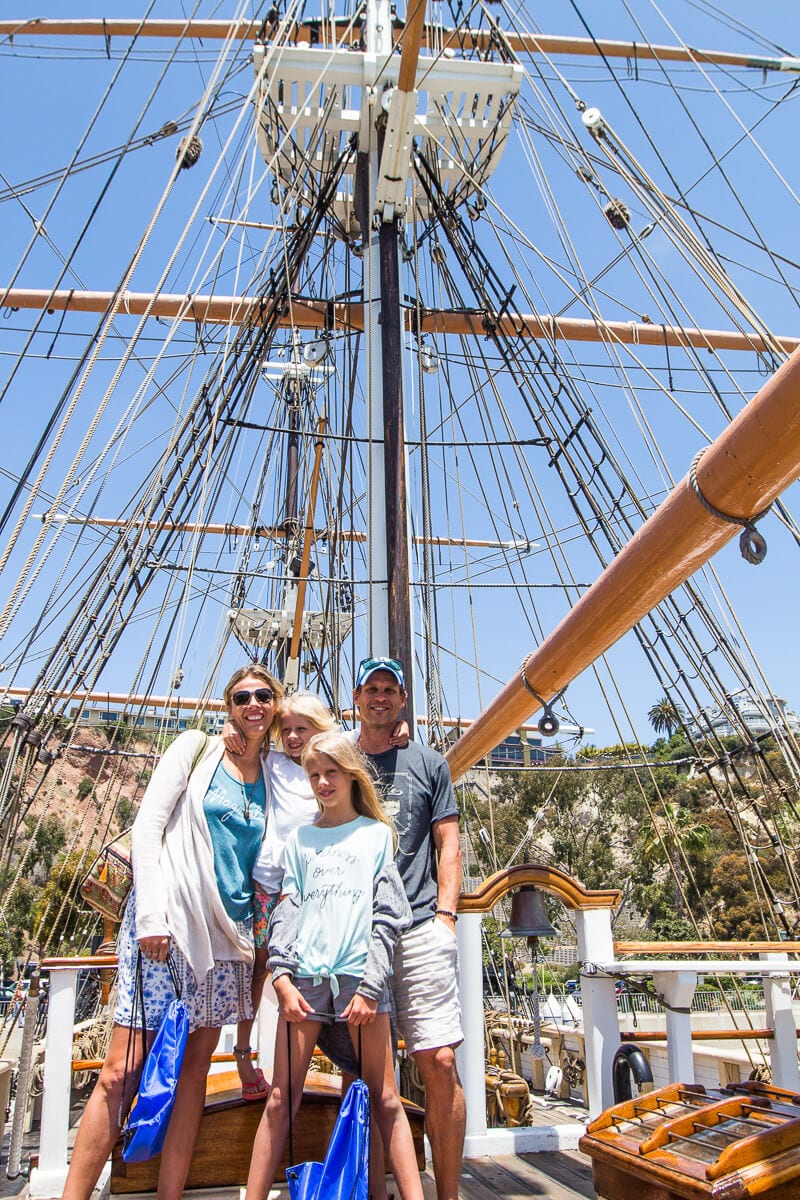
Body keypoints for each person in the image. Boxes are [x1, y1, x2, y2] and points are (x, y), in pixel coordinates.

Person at [61, 665, 282, 1200]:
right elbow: (148, 827)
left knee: (193, 1077)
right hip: (167, 928)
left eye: (264, 695)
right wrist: (152, 917)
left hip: (225, 939)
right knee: (122, 1070)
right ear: (228, 704)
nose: (253, 703)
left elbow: (329, 751)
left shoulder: (280, 770)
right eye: (241, 696)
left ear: (276, 705)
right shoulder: (197, 748)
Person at [243, 732, 422, 1200]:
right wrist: (280, 975)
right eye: (314, 775)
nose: (323, 783)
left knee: (385, 1099)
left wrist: (370, 985)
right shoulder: (302, 840)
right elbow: (289, 908)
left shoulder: (376, 835)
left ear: (351, 774)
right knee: (281, 1097)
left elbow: (387, 918)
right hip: (306, 978)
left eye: (331, 773)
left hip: (359, 977)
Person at [352, 656, 466, 1200]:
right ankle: (381, 1190)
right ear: (357, 697)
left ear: (402, 699)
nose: (380, 697)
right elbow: (289, 738)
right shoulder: (341, 759)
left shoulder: (428, 763)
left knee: (439, 1061)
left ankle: (448, 1193)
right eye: (371, 688)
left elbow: (448, 841)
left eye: (389, 689)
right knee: (371, 1073)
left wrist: (447, 915)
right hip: (358, 933)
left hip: (421, 926)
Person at [233, 692, 337, 1096]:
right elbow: (245, 743)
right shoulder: (273, 763)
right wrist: (231, 728)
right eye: (288, 730)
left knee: (304, 973)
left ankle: (297, 1062)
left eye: (302, 729)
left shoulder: (330, 767)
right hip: (269, 883)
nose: (294, 737)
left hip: (311, 889)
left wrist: (398, 730)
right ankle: (245, 1051)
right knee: (261, 969)